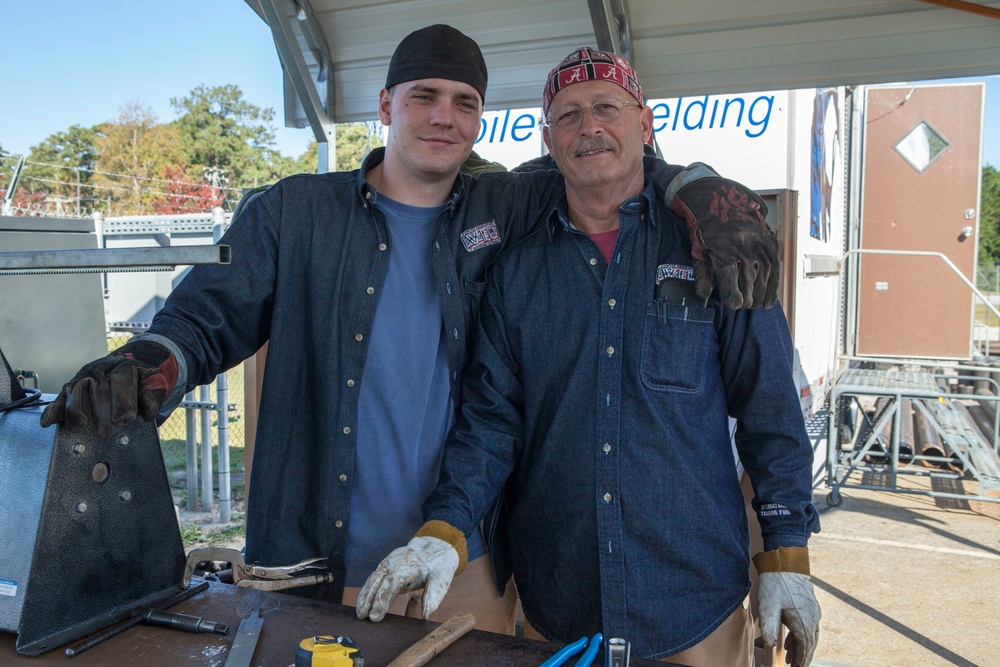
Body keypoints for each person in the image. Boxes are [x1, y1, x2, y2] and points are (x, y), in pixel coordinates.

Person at [40, 28, 780, 637]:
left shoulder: (505, 204)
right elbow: (203, 320)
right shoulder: (294, 215)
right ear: (387, 103)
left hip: (465, 565)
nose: (442, 117)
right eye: (423, 96)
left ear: (482, 119)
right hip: (311, 564)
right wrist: (149, 366)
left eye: (464, 102)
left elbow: (608, 162)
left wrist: (699, 187)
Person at [356, 47, 821, 667]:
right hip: (558, 605)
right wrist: (446, 531)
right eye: (568, 115)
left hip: (693, 603)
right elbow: (492, 421)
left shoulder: (715, 244)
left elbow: (770, 411)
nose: (589, 127)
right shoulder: (517, 267)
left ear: (646, 122)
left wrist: (786, 554)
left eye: (608, 107)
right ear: (548, 139)